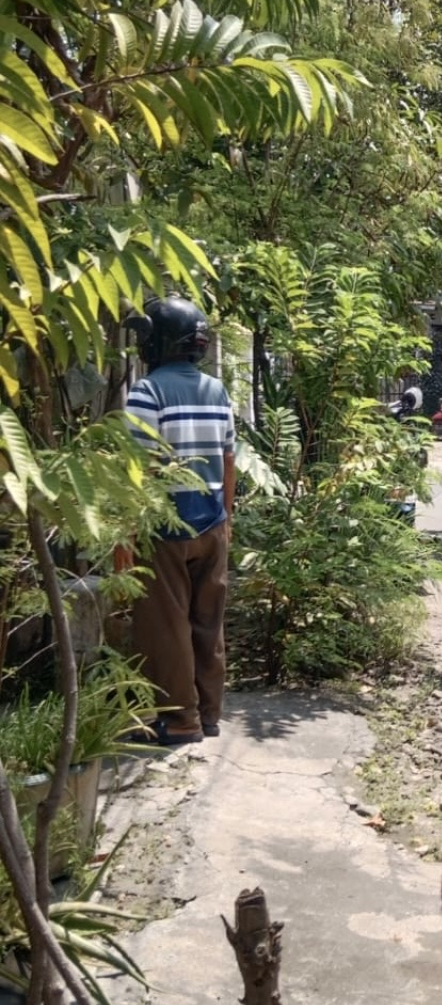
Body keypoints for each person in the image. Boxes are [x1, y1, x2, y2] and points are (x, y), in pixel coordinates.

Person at [125, 296, 236, 747]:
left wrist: (128, 528)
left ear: (159, 342)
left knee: (166, 626)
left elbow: (138, 466)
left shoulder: (146, 392)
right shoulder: (217, 391)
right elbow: (228, 459)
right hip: (212, 521)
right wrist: (225, 518)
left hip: (163, 528)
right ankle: (209, 715)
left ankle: (181, 720)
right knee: (208, 622)